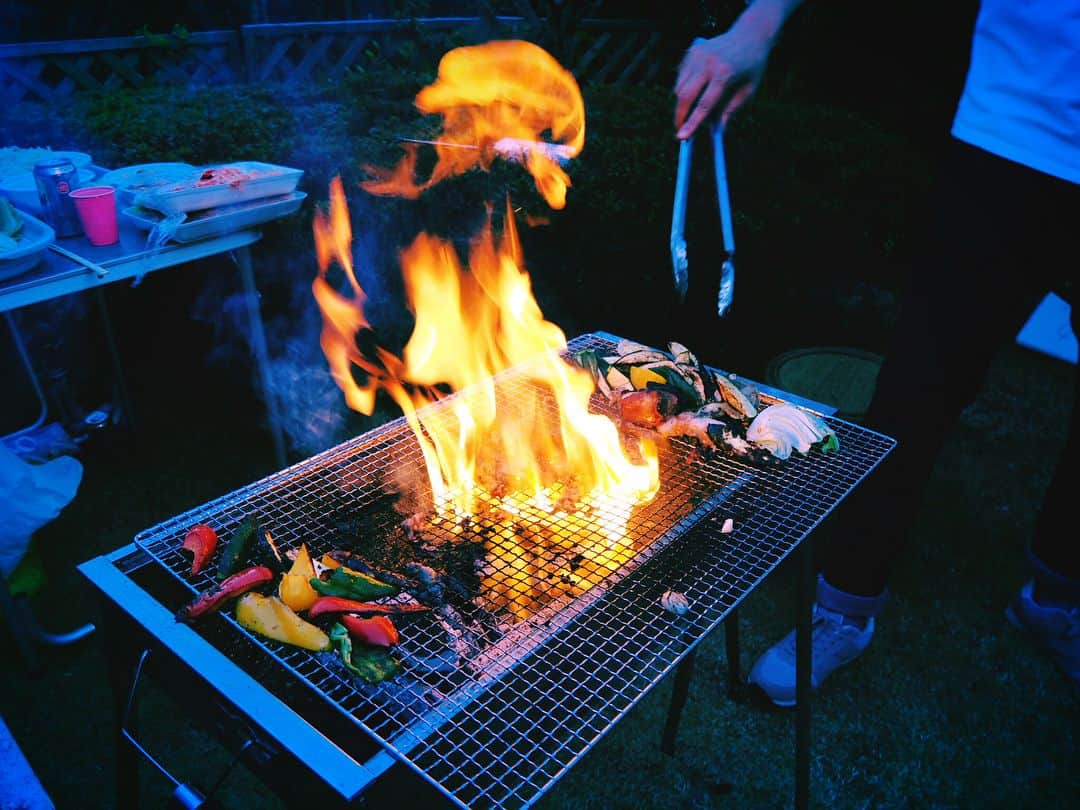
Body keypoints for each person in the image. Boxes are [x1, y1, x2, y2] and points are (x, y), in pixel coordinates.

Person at [674, 0, 1080, 704]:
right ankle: (844, 607)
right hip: (1013, 131)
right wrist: (758, 24)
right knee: (920, 387)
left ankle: (1057, 596)